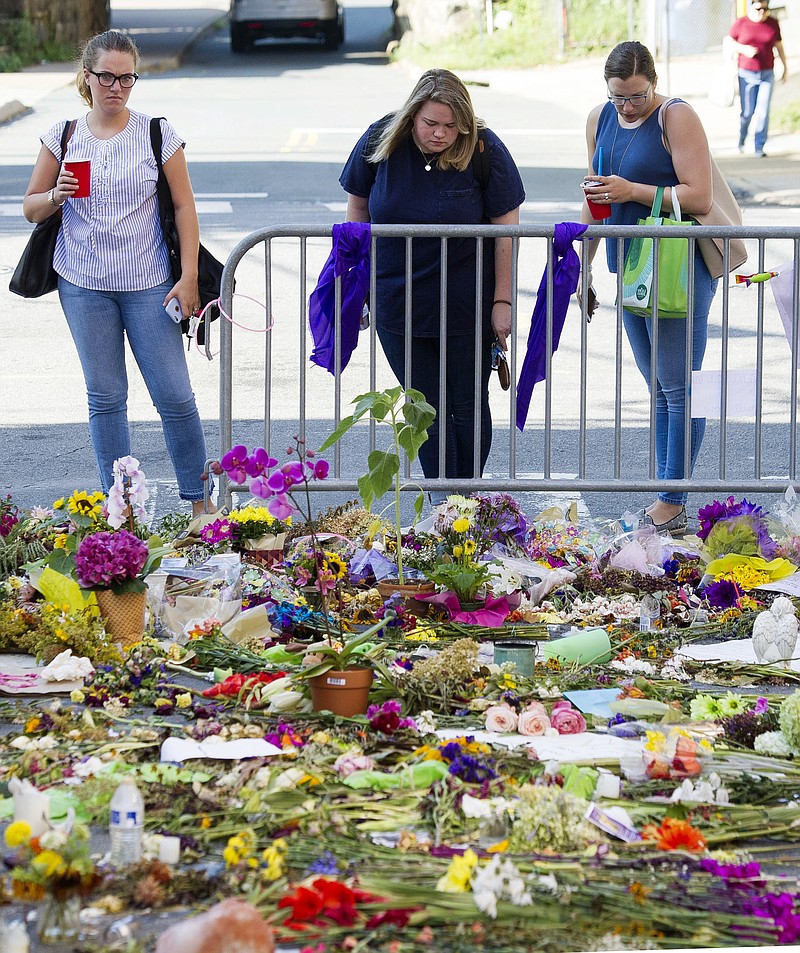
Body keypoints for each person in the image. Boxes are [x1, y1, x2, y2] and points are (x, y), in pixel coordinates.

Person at [22, 30, 210, 516]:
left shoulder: (156, 133)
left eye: (128, 77)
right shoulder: (62, 135)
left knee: (174, 395)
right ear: (87, 77)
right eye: (107, 76)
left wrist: (188, 276)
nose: (117, 87)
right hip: (83, 286)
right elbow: (30, 207)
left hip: (149, 284)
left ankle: (200, 504)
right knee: (106, 398)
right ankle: (120, 508)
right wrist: (55, 196)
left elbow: (186, 206)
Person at [339, 69, 525, 484]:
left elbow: (506, 235)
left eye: (450, 125)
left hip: (466, 303)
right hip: (398, 302)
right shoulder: (380, 139)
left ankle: (467, 497)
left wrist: (502, 302)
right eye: (430, 124)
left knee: (467, 404)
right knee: (423, 407)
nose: (440, 134)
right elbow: (357, 211)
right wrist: (358, 284)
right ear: (412, 116)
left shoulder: (483, 148)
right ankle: (445, 502)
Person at [579, 41, 718, 538]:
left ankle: (671, 502)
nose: (628, 106)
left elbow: (698, 193)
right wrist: (585, 269)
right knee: (658, 387)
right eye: (619, 97)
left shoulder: (676, 117)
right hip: (630, 266)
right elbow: (595, 199)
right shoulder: (600, 118)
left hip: (679, 266)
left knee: (681, 388)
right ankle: (667, 499)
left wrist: (633, 191)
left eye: (637, 96)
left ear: (653, 83)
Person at [729, 0, 788, 158]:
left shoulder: (772, 23)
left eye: (766, 9)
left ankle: (759, 146)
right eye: (759, 8)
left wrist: (785, 67)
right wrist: (744, 49)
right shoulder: (741, 23)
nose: (763, 12)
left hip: (767, 73)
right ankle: (742, 140)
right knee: (747, 112)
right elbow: (729, 42)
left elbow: (779, 47)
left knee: (763, 112)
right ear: (752, 6)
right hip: (746, 73)